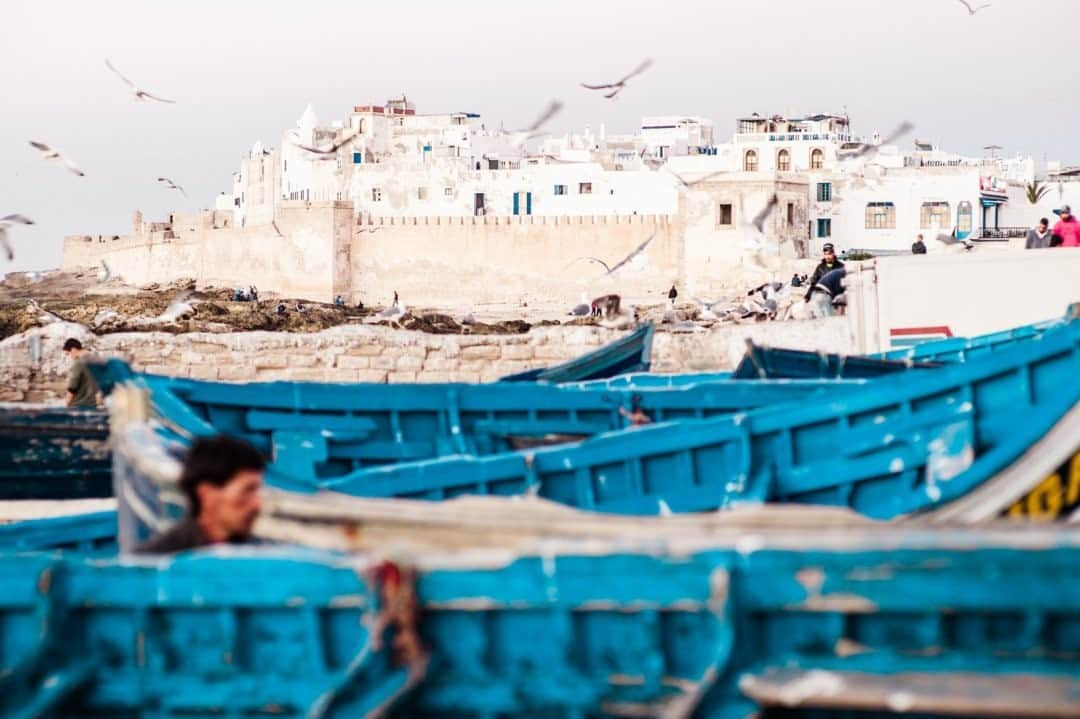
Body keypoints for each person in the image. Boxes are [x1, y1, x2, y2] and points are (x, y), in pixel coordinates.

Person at [135, 435, 265, 554]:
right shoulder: (151, 562)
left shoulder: (262, 558)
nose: (257, 504)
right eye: (247, 491)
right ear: (206, 494)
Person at [62, 338, 101, 409]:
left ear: (73, 349)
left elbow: (72, 387)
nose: (70, 356)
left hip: (78, 406)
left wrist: (67, 404)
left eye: (68, 353)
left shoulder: (78, 363)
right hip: (92, 405)